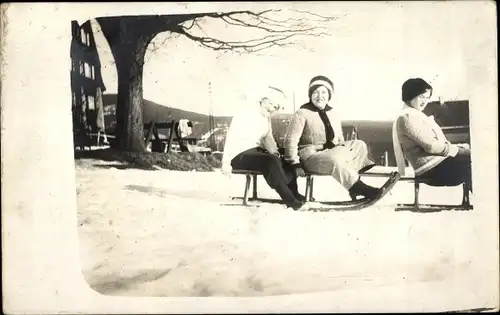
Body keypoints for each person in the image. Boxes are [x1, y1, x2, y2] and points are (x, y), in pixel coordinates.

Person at [284, 75, 381, 201]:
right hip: (310, 157)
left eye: (324, 92)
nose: (320, 96)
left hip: (331, 153)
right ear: (310, 94)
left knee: (359, 145)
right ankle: (357, 187)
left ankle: (353, 181)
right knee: (335, 159)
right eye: (316, 92)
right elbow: (291, 140)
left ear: (329, 95)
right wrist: (295, 164)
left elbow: (339, 139)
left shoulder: (333, 113)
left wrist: (343, 147)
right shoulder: (302, 113)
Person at [221, 86, 309, 210]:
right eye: (270, 103)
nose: (271, 108)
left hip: (255, 153)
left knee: (283, 160)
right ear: (262, 99)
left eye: (275, 107)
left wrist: (276, 154)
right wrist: (225, 162)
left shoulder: (266, 119)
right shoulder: (244, 113)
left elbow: (268, 138)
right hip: (238, 155)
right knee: (269, 162)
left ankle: (294, 192)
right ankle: (291, 200)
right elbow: (230, 137)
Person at [392, 78, 472, 189]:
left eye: (427, 98)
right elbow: (431, 146)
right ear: (410, 95)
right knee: (476, 164)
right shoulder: (407, 117)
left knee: (476, 162)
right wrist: (460, 150)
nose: (424, 101)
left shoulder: (415, 115)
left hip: (437, 164)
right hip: (431, 169)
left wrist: (460, 149)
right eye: (421, 97)